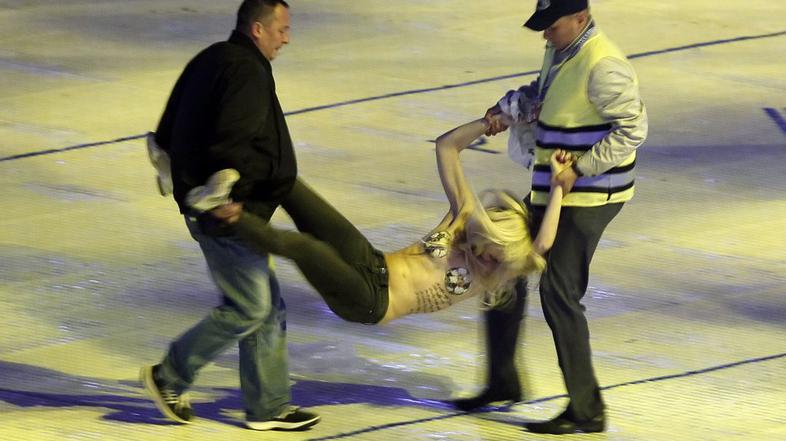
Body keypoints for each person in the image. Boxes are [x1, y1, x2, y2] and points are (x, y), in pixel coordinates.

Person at [451, 0, 648, 435]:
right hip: (554, 184)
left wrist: (578, 170)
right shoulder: (564, 50)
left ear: (580, 18)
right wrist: (508, 109)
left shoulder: (604, 66)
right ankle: (503, 381)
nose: (545, 35)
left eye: (551, 26)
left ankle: (587, 411)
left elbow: (633, 130)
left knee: (559, 293)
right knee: (499, 263)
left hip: (590, 195)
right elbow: (545, 94)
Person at [192, 119, 575, 325]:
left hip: (370, 301)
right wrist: (493, 122)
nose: (485, 254)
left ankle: (225, 214)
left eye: (494, 254)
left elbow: (541, 246)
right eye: (489, 243)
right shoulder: (464, 224)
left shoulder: (498, 274)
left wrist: (559, 187)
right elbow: (446, 146)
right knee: (292, 186)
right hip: (371, 263)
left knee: (306, 248)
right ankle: (217, 165)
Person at [139, 0, 321, 431]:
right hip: (226, 209)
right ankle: (169, 376)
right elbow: (234, 134)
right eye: (282, 29)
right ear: (258, 29)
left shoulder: (213, 57)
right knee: (250, 306)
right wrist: (227, 192)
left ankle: (268, 406)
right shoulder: (246, 71)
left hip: (221, 204)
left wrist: (169, 158)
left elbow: (170, 117)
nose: (287, 37)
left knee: (268, 306)